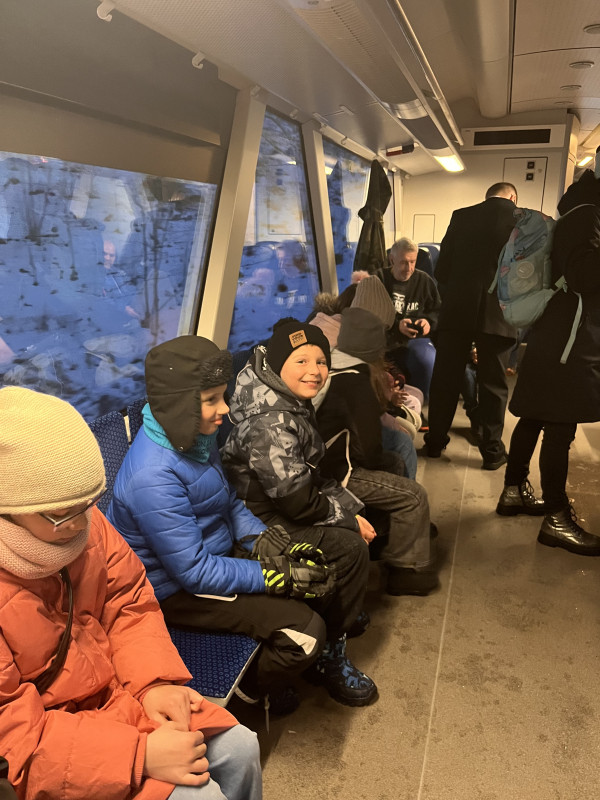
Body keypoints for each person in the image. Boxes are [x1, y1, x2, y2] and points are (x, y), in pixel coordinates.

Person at [0, 386, 262, 800]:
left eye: (88, 502)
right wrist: (138, 755)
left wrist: (154, 683)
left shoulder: (88, 526)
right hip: (58, 741)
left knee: (240, 748)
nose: (79, 524)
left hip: (120, 693)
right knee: (199, 795)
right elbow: (14, 733)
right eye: (61, 513)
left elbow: (128, 602)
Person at [107, 335, 332, 712]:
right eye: (211, 400)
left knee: (315, 578)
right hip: (174, 592)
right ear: (179, 406)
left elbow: (227, 501)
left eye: (222, 396)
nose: (225, 409)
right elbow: (194, 573)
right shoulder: (153, 477)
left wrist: (264, 541)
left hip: (213, 557)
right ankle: (249, 696)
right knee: (307, 633)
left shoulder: (192, 436)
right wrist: (274, 576)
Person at [220, 321, 378, 706]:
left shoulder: (286, 399)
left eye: (321, 361)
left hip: (279, 507)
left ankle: (340, 606)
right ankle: (329, 655)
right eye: (301, 361)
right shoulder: (270, 422)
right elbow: (297, 501)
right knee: (351, 548)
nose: (315, 371)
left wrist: (350, 510)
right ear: (277, 365)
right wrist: (348, 519)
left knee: (359, 521)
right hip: (260, 524)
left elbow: (309, 477)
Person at [496, 169, 600, 555]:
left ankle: (513, 491)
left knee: (535, 415)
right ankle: (556, 518)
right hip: (569, 339)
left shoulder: (577, 210)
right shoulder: (588, 214)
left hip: (554, 331)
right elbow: (584, 275)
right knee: (560, 425)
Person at [314, 307, 437, 589]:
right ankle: (405, 571)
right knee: (414, 497)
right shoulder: (358, 382)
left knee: (395, 463)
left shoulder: (330, 367)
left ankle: (383, 537)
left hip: (321, 463)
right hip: (335, 473)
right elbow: (369, 451)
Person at [424, 182, 519, 469]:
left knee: (445, 379)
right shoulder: (525, 221)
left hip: (457, 312)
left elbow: (442, 271)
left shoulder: (461, 216)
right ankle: (492, 452)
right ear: (513, 197)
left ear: (487, 196)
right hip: (500, 313)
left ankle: (435, 443)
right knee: (493, 385)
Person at [375, 237, 441, 401]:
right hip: (384, 337)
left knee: (427, 361)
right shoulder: (378, 279)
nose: (409, 268)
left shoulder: (424, 280)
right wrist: (397, 325)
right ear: (392, 259)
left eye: (413, 262)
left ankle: (419, 403)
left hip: (416, 339)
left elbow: (438, 311)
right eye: (404, 262)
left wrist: (428, 322)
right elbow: (370, 315)